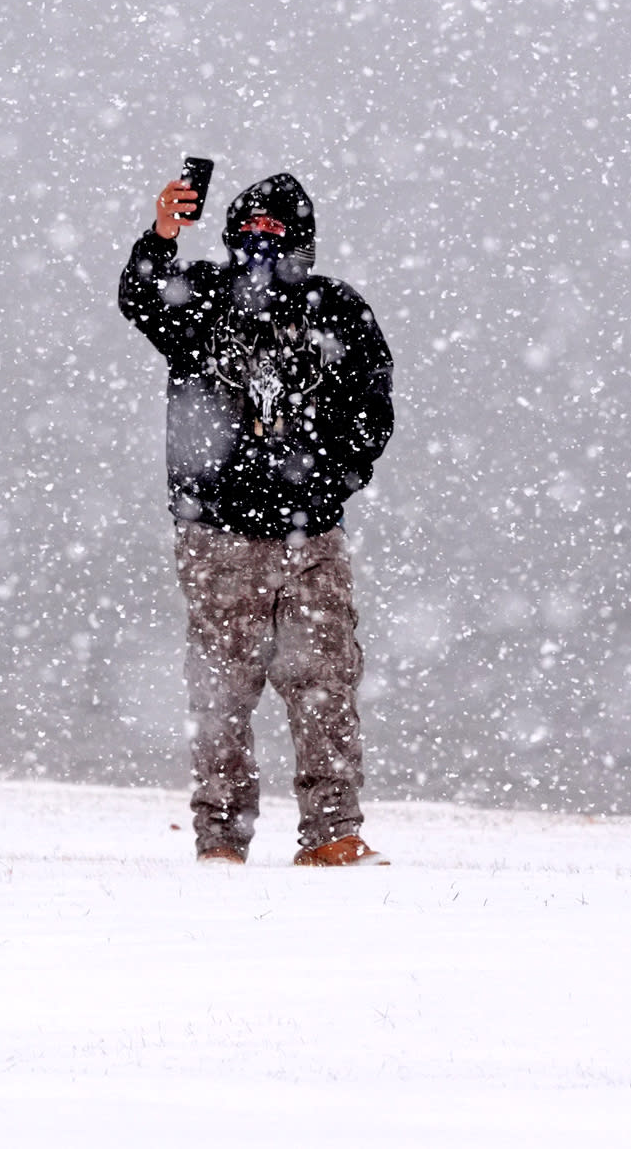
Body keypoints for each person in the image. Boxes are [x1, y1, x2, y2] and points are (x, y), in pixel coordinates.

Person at [119, 169, 396, 866]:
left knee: (325, 681)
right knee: (220, 690)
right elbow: (140, 296)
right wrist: (162, 234)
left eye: (276, 229)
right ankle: (219, 838)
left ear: (301, 238)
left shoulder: (337, 308)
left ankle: (332, 831)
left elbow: (372, 408)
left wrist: (332, 481)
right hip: (216, 535)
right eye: (250, 226)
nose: (261, 240)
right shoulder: (203, 297)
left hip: (312, 536)